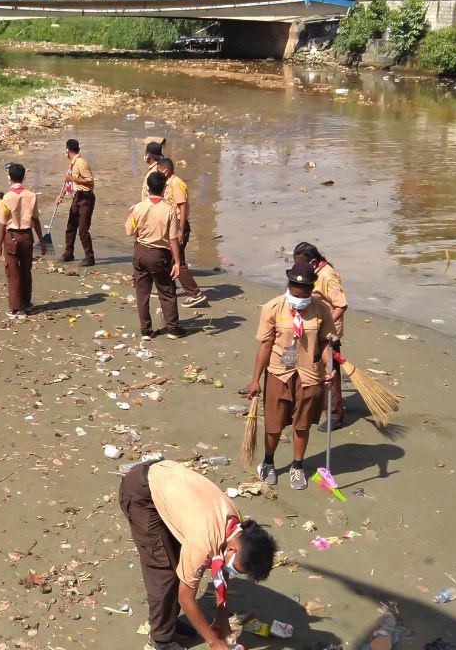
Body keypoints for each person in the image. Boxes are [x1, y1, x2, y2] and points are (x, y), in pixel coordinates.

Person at [119, 459, 278, 650]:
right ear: (233, 549)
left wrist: (222, 617)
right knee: (164, 571)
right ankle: (160, 641)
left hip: (167, 481)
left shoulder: (235, 526)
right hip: (141, 494)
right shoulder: (203, 542)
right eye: (236, 569)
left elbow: (221, 570)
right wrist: (214, 642)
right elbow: (185, 597)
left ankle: (168, 622)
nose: (232, 571)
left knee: (179, 562)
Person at [247, 260, 338, 490]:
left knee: (302, 424)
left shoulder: (321, 309)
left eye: (304, 293)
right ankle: (268, 462)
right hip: (280, 373)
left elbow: (325, 343)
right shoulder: (273, 307)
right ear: (288, 286)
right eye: (295, 293)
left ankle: (297, 466)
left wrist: (329, 366)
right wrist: (256, 379)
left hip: (309, 375)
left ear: (311, 289)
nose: (299, 299)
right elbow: (266, 345)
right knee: (274, 424)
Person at [294, 242, 349, 430]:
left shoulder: (328, 275)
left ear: (314, 261)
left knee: (330, 372)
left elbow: (341, 305)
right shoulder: (313, 273)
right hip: (312, 328)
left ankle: (335, 415)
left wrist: (325, 324)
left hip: (327, 332)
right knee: (313, 368)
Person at [141, 152, 205, 308]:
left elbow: (182, 207)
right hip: (173, 224)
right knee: (169, 258)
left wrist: (181, 230)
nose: (156, 173)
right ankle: (168, 288)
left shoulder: (176, 184)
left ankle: (195, 293)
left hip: (178, 225)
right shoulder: (169, 183)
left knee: (178, 260)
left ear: (166, 171)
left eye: (158, 171)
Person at [127, 172, 185, 340]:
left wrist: (131, 214)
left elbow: (129, 231)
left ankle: (146, 330)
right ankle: (173, 328)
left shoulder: (138, 207)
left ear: (148, 187)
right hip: (159, 254)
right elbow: (173, 238)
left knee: (142, 292)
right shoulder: (169, 210)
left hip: (140, 251)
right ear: (164, 189)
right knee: (166, 291)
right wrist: (177, 261)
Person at [0, 162, 47, 318]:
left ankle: (16, 308)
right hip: (27, 236)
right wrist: (41, 241)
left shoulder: (5, 198)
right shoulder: (31, 195)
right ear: (24, 177)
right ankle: (26, 303)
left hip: (12, 237)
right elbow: (36, 220)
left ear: (9, 177)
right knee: (26, 270)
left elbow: (3, 225)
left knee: (13, 272)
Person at [60, 139, 96, 266]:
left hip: (85, 198)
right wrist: (61, 195)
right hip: (77, 197)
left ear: (67, 150)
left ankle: (89, 257)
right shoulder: (72, 163)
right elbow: (69, 182)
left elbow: (90, 181)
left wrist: (73, 178)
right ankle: (68, 253)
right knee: (71, 226)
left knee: (83, 229)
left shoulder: (80, 162)